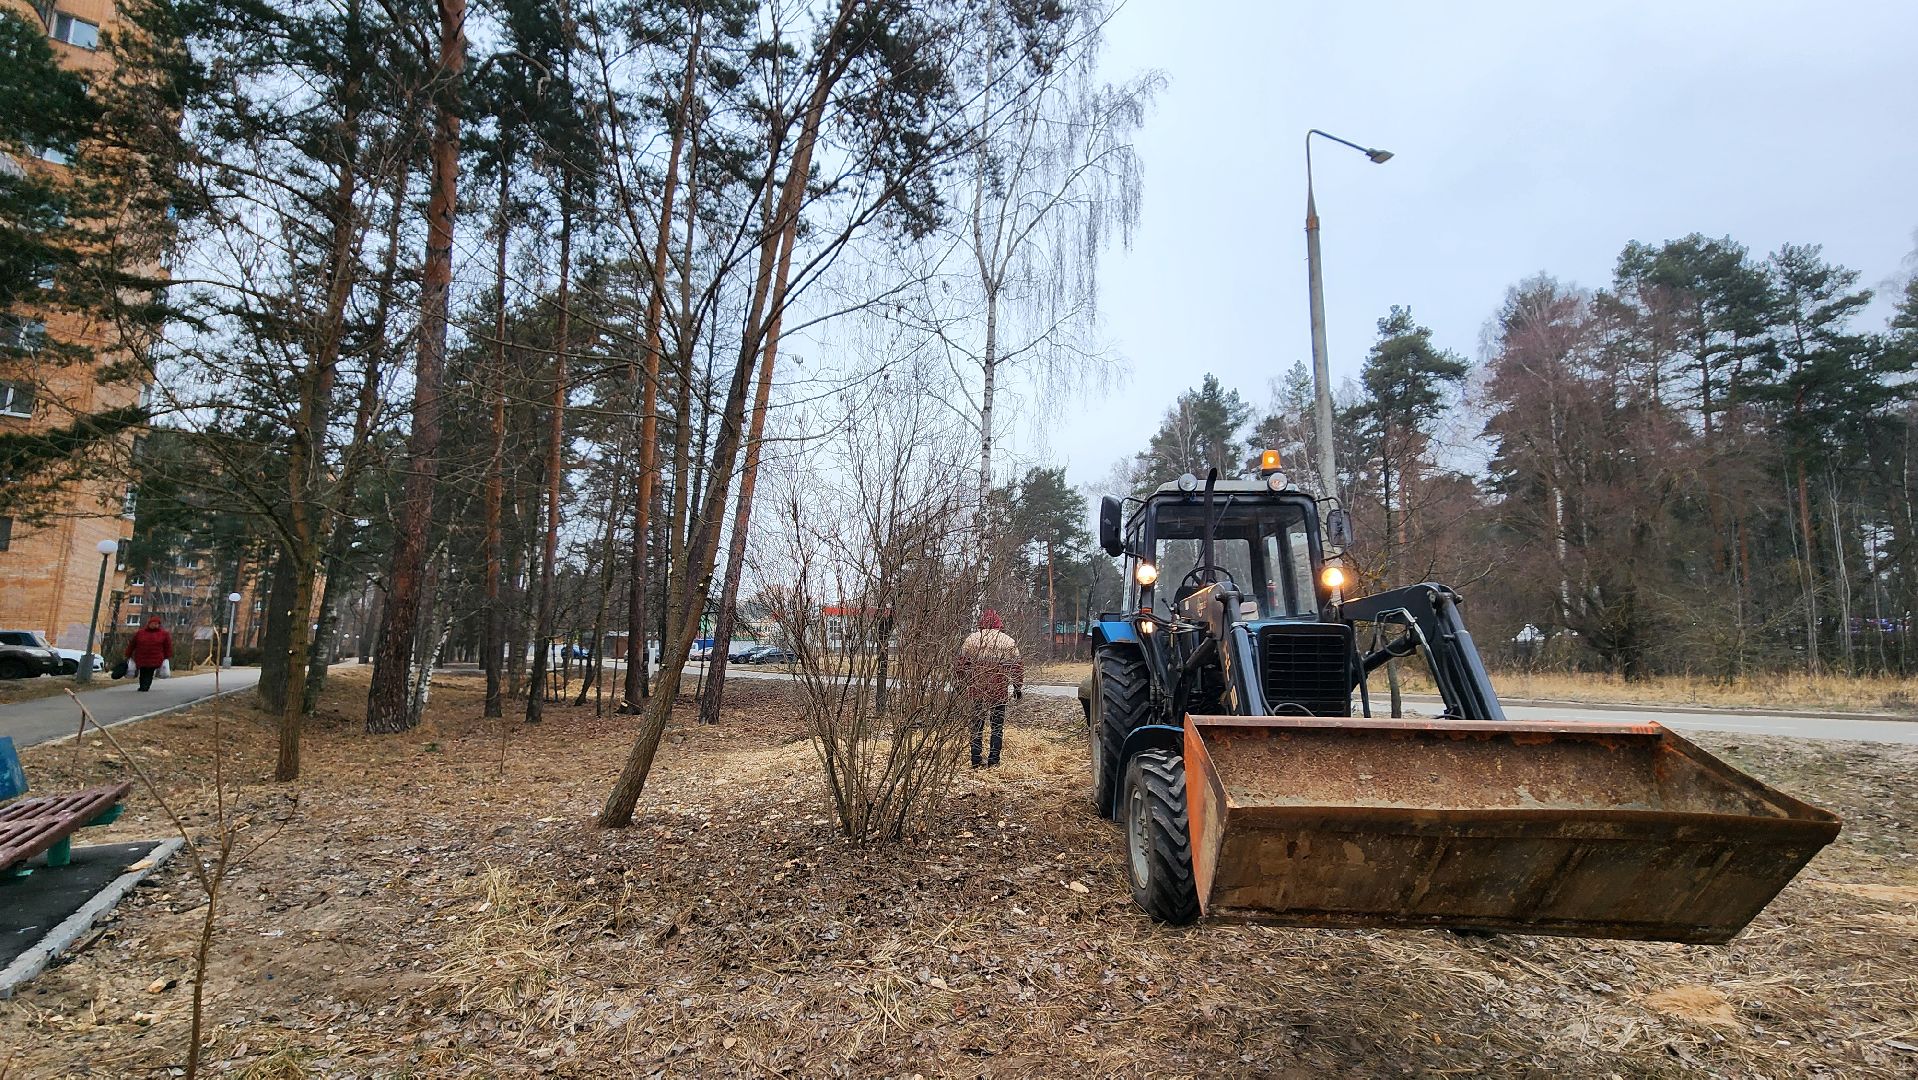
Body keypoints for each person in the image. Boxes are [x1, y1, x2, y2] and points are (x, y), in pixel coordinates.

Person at [956, 610, 1023, 768]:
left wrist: (960, 683)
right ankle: (994, 760)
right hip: (998, 689)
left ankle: (975, 759)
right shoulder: (1008, 642)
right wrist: (1017, 688)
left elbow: (960, 665)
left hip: (977, 688)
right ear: (999, 623)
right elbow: (1017, 668)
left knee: (977, 725)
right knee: (997, 726)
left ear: (981, 622)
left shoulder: (971, 640)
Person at [124, 616, 173, 692]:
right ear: (149, 623)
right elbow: (133, 644)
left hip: (155, 658)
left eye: (156, 624)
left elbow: (167, 646)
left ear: (159, 625)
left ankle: (145, 686)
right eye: (153, 623)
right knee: (143, 672)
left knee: (149, 672)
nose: (154, 625)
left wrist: (167, 656)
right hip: (141, 657)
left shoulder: (163, 634)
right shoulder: (140, 633)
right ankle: (142, 686)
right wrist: (128, 653)